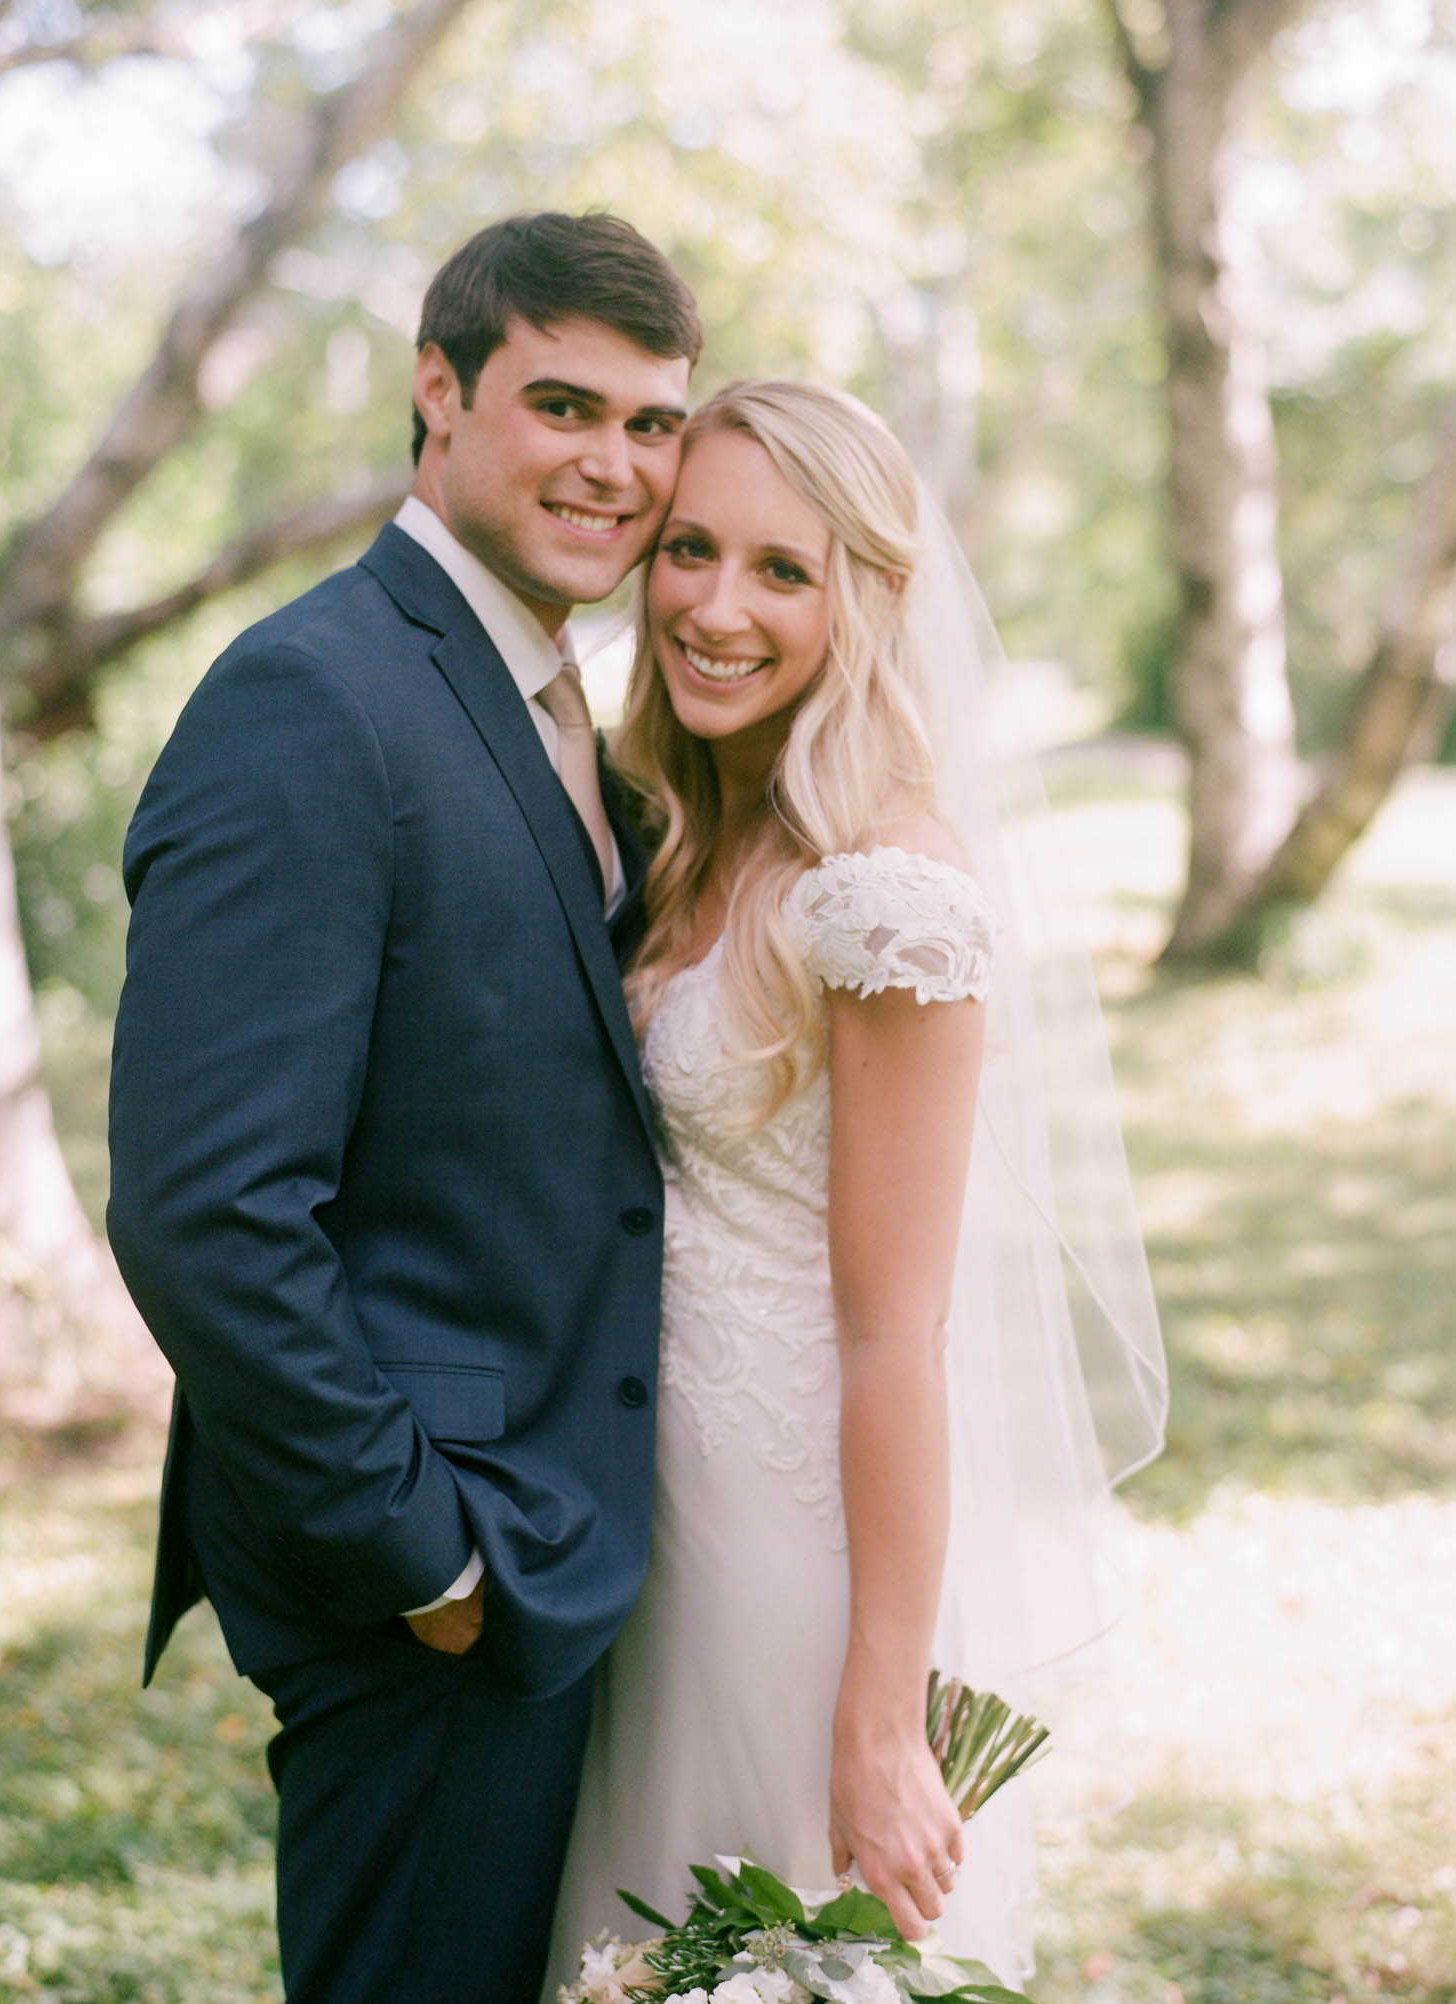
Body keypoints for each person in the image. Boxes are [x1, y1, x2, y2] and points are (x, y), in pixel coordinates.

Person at [106, 211, 701, 2004]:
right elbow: (207, 1210)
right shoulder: (311, 696)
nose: (614, 466)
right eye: (563, 405)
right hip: (440, 1562)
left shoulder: (550, 695)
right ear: (437, 394)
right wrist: (424, 1552)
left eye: (653, 424)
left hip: (563, 1530)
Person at [544, 382, 1167, 1990]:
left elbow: (899, 1332)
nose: (717, 608)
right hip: (634, 1518)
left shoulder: (886, 893)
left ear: (869, 597)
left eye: (783, 571)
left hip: (785, 1547)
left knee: (753, 1943)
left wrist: (881, 1714)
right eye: (689, 551)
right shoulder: (684, 834)